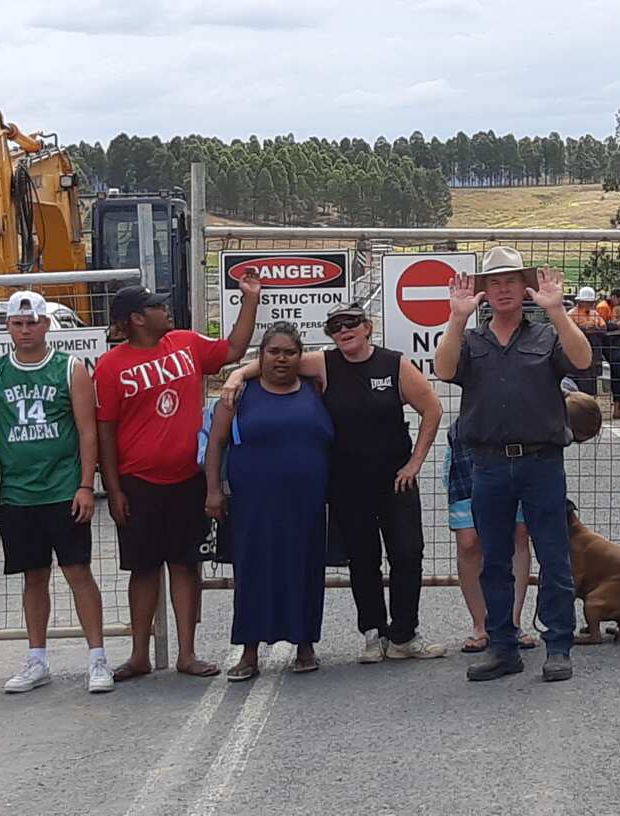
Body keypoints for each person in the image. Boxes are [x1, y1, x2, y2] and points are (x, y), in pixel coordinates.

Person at [222, 301, 445, 662]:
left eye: (351, 323)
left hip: (394, 479)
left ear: (367, 326)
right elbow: (272, 360)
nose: (344, 331)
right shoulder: (324, 363)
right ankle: (374, 634)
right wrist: (235, 376)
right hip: (347, 480)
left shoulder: (394, 364)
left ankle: (404, 634)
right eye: (335, 326)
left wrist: (415, 463)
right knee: (362, 558)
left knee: (407, 552)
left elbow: (432, 409)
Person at [434, 245, 592, 683]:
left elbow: (582, 360)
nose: (503, 290)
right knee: (495, 560)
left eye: (510, 281)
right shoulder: (470, 340)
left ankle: (558, 646)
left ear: (524, 288)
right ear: (484, 291)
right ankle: (502, 646)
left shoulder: (546, 336)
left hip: (541, 464)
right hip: (487, 465)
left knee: (554, 557)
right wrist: (457, 317)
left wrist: (557, 310)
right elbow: (444, 370)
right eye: (494, 283)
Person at [95, 277, 260, 681]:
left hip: (188, 477)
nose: (166, 310)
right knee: (144, 568)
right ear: (136, 319)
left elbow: (233, 350)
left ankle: (187, 653)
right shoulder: (110, 366)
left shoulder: (186, 343)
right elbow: (104, 431)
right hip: (138, 482)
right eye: (156, 307)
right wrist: (113, 488)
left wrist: (251, 301)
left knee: (187, 565)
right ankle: (139, 654)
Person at [0, 291, 111, 694]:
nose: (25, 330)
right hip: (18, 494)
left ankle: (97, 659)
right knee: (32, 577)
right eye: (18, 324)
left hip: (62, 488)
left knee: (77, 572)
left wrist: (86, 485)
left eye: (32, 322)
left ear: (45, 324)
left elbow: (88, 431)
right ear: (8, 326)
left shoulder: (69, 368)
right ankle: (37, 659)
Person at [205, 323, 333, 680]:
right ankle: (249, 651)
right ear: (260, 356)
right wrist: (214, 491)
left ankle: (305, 644)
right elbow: (216, 445)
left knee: (305, 570)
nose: (281, 359)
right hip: (253, 504)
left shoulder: (316, 389)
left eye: (289, 352)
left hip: (305, 504)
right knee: (253, 573)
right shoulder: (238, 396)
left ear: (300, 356)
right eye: (273, 351)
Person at [445, 416, 535, 654]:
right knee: (468, 540)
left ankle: (512, 623)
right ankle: (480, 625)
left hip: (518, 436)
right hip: (470, 436)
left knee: (518, 532)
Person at [596, 287, 620, 419]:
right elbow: (600, 326)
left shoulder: (611, 308)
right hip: (607, 343)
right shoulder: (603, 307)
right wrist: (617, 325)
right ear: (614, 297)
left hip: (612, 341)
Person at [568, 287, 606, 396]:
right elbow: (569, 331)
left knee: (591, 379)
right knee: (580, 377)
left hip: (594, 352)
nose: (589, 304)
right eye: (587, 302)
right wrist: (584, 329)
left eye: (591, 302)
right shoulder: (572, 314)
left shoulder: (594, 314)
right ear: (580, 301)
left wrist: (593, 329)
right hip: (578, 351)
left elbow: (603, 327)